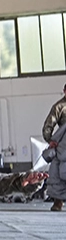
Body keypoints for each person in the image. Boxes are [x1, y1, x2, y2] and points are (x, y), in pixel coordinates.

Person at [42, 83, 66, 211]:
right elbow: (48, 124)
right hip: (63, 144)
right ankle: (58, 201)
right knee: (56, 172)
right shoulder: (59, 107)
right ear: (64, 91)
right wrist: (50, 140)